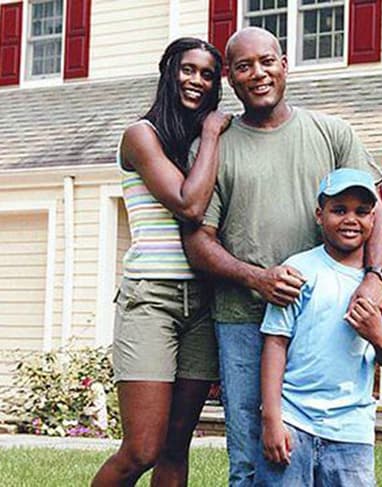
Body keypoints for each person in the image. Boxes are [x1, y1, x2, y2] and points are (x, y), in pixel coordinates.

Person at [181, 27, 382, 486]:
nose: (257, 73)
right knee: (253, 460)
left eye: (267, 61)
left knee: (324, 460)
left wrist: (375, 278)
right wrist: (257, 279)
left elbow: (378, 213)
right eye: (243, 67)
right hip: (243, 320)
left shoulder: (333, 134)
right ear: (231, 81)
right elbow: (198, 243)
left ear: (284, 65)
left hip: (325, 320)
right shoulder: (214, 147)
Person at [92, 37, 229, 487]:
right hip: (151, 298)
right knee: (142, 449)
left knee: (176, 445)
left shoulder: (201, 147)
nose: (197, 81)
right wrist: (211, 133)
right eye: (188, 69)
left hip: (203, 303)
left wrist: (206, 139)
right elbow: (189, 205)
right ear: (168, 71)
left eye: (208, 74)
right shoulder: (141, 136)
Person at [257, 168, 382, 486]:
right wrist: (271, 417)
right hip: (293, 421)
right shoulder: (298, 270)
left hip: (352, 429)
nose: (350, 219)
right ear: (319, 215)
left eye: (362, 211)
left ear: (373, 219)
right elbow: (275, 343)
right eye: (339, 210)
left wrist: (377, 335)